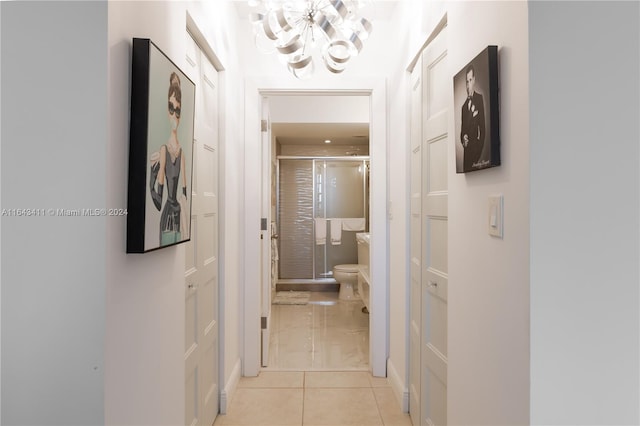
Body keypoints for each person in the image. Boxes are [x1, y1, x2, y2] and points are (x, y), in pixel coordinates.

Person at [150, 72, 188, 245]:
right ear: (167, 111)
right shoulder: (164, 150)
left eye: (178, 111)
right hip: (167, 216)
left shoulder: (182, 153)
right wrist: (153, 173)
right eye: (171, 109)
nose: (174, 115)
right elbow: (158, 202)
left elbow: (185, 194)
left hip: (178, 214)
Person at [460, 64, 486, 171]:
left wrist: (478, 154)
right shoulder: (463, 107)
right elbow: (462, 131)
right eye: (467, 81)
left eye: (470, 80)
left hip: (476, 155)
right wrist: (463, 138)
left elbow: (483, 129)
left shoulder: (479, 99)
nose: (468, 85)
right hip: (466, 157)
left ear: (474, 80)